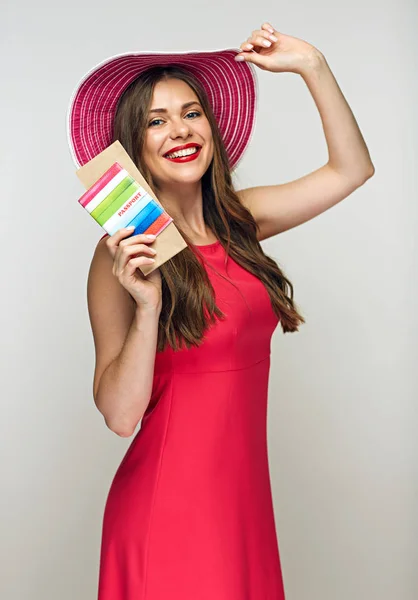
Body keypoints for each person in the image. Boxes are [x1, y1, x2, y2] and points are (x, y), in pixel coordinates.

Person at [67, 22, 374, 600]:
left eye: (191, 113)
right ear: (133, 147)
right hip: (165, 510)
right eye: (155, 121)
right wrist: (149, 306)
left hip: (244, 505)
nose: (180, 131)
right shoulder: (124, 253)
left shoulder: (240, 221)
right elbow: (118, 415)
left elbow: (351, 170)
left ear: (211, 125)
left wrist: (312, 64)